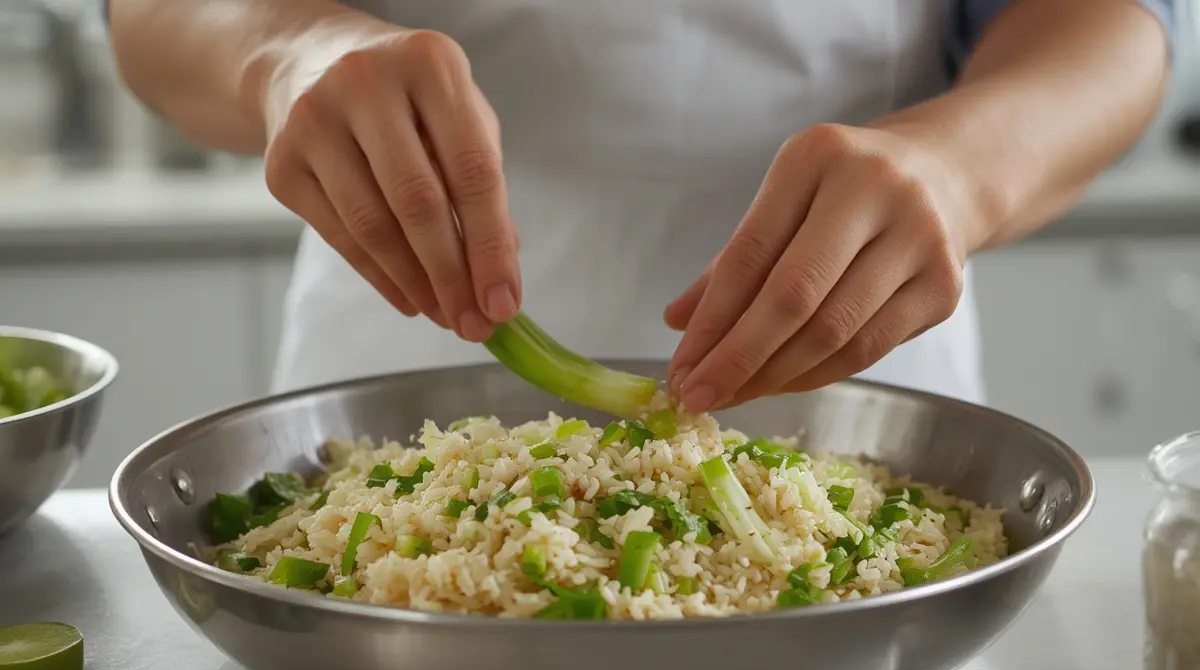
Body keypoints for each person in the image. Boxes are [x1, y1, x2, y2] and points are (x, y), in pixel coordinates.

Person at [107, 0, 1174, 411]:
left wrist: (963, 164)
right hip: (385, 393)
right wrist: (286, 51)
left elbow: (1112, 20)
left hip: (860, 390)